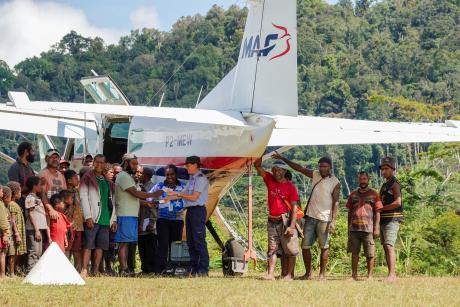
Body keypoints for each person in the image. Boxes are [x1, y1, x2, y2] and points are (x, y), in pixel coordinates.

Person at [274, 153, 340, 280]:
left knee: (324, 246)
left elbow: (336, 201)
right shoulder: (315, 174)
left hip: (325, 219)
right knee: (305, 246)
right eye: (320, 166)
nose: (322, 169)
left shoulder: (335, 182)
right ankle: (308, 273)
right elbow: (299, 168)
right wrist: (283, 159)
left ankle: (322, 275)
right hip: (310, 216)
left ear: (330, 167)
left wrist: (333, 220)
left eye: (325, 166)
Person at [254, 158, 300, 280]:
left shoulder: (291, 187)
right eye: (274, 169)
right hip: (272, 220)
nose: (276, 172)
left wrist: (291, 226)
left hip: (285, 221)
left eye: (279, 170)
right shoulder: (269, 179)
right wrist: (261, 153)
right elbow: (257, 166)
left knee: (289, 249)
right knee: (272, 248)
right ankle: (270, 274)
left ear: (284, 171)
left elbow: (295, 208)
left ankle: (289, 275)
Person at [114, 153, 157, 275]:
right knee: (124, 242)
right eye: (133, 164)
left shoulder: (128, 176)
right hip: (125, 214)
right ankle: (123, 269)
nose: (135, 167)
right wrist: (153, 195)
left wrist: (147, 203)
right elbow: (136, 194)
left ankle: (127, 268)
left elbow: (136, 198)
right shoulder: (123, 176)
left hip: (131, 215)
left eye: (136, 164)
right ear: (126, 163)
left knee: (128, 242)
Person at [168, 156, 209, 277]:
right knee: (190, 241)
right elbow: (183, 194)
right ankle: (194, 268)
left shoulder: (201, 179)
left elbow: (194, 197)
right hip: (190, 211)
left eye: (188, 165)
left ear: (196, 165)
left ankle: (203, 269)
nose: (186, 167)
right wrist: (167, 197)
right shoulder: (192, 179)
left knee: (199, 240)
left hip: (198, 210)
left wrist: (178, 194)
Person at [80, 154, 117, 278]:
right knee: (88, 244)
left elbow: (113, 202)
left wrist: (113, 220)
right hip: (93, 217)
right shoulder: (87, 177)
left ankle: (95, 270)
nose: (99, 165)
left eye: (102, 162)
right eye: (97, 162)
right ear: (94, 163)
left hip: (105, 218)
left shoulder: (108, 181)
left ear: (105, 164)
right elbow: (83, 197)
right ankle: (84, 269)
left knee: (101, 246)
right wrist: (87, 216)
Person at [346, 172, 383, 280]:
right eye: (361, 179)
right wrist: (348, 227)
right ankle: (354, 275)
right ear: (358, 180)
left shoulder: (374, 194)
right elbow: (349, 212)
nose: (362, 181)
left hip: (368, 229)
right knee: (354, 252)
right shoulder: (353, 194)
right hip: (354, 228)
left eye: (364, 179)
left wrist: (376, 228)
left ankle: (370, 276)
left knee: (370, 253)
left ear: (368, 179)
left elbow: (378, 212)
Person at [150, 165, 184, 274]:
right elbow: (149, 197)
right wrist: (157, 202)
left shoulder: (183, 187)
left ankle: (174, 268)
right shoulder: (159, 186)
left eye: (172, 174)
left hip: (177, 220)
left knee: (175, 245)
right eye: (167, 174)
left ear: (176, 175)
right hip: (163, 219)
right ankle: (160, 270)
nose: (169, 176)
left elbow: (187, 201)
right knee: (163, 244)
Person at [379, 157, 403, 282]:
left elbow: (398, 202)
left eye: (386, 169)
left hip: (392, 219)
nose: (384, 171)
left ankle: (392, 274)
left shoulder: (394, 183)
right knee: (385, 246)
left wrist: (382, 209)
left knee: (389, 245)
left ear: (393, 169)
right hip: (383, 219)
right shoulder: (385, 184)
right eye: (382, 169)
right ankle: (390, 273)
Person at [25, 176, 50, 271]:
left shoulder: (36, 197)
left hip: (39, 228)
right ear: (34, 186)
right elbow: (31, 213)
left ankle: (37, 271)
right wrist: (36, 230)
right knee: (34, 251)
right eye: (40, 185)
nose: (42, 187)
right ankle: (31, 272)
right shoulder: (30, 197)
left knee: (39, 251)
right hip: (34, 229)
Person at [61, 173, 84, 272]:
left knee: (77, 249)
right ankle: (65, 269)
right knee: (67, 248)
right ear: (69, 180)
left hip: (78, 225)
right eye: (75, 178)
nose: (77, 180)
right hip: (68, 225)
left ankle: (77, 270)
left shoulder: (78, 191)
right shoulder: (64, 193)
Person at [138, 167, 158, 274]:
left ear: (145, 176)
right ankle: (144, 269)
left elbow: (153, 207)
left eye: (141, 174)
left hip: (149, 221)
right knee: (142, 246)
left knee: (150, 246)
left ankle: (151, 269)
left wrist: (152, 222)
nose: (139, 176)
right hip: (141, 221)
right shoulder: (140, 187)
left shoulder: (152, 188)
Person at [39, 149, 67, 220]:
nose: (54, 159)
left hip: (60, 213)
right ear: (46, 159)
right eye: (52, 157)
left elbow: (64, 194)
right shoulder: (43, 174)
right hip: (48, 213)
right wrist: (50, 209)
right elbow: (42, 194)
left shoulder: (61, 176)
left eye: (56, 157)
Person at [6, 181, 26, 276]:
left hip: (17, 231)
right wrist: (17, 234)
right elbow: (13, 220)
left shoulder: (14, 204)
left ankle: (14, 271)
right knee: (12, 254)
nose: (21, 193)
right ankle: (11, 272)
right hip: (14, 233)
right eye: (20, 191)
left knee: (16, 252)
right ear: (15, 193)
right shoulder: (12, 204)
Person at [0, 186, 11, 278]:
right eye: (1, 191)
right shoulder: (0, 204)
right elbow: (3, 221)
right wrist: (5, 234)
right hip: (1, 233)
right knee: (2, 253)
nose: (2, 192)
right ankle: (2, 274)